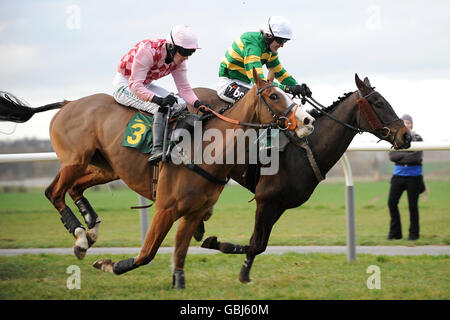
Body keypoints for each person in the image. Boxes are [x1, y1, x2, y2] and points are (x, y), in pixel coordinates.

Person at [112, 25, 207, 164]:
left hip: (145, 83)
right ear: (171, 47)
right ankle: (157, 150)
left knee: (180, 104)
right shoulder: (148, 51)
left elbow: (184, 88)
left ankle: (176, 145)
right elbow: (135, 85)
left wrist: (199, 104)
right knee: (159, 108)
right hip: (126, 83)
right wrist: (158, 100)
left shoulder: (178, 61)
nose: (186, 57)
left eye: (190, 52)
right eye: (184, 52)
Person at [217, 16, 312, 103]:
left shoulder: (270, 51)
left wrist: (297, 86)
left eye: (285, 41)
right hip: (229, 83)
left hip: (247, 84)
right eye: (280, 41)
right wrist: (288, 89)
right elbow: (260, 81)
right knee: (263, 104)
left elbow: (280, 73)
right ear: (269, 36)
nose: (282, 45)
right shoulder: (252, 44)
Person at [387, 114, 426, 240]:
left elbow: (416, 157)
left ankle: (414, 235)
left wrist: (401, 154)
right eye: (404, 123)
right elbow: (392, 157)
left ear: (412, 125)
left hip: (414, 177)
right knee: (391, 203)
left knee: (412, 206)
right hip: (398, 176)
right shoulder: (396, 137)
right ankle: (395, 234)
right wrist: (407, 154)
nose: (406, 125)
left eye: (408, 123)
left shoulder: (418, 138)